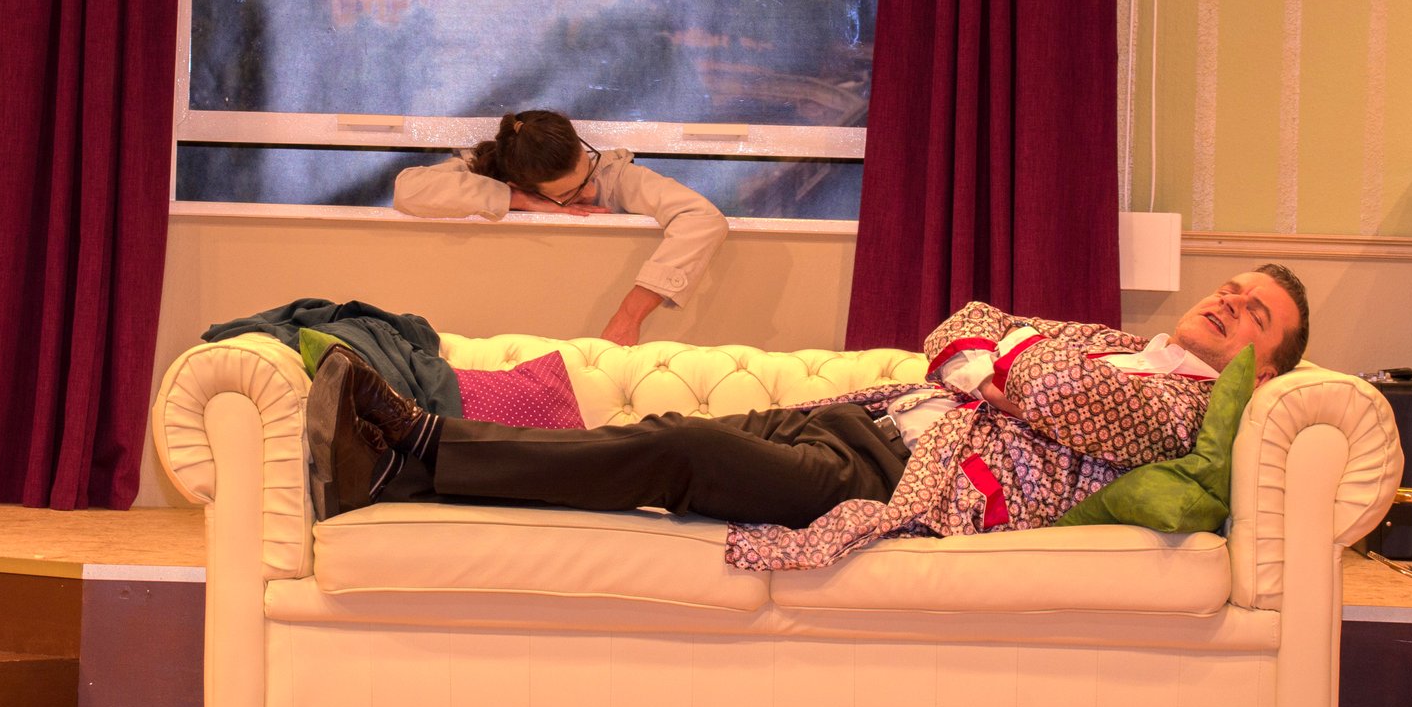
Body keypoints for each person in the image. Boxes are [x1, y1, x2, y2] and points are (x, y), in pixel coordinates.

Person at [305, 265, 1311, 571]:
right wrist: (1000, 359)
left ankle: (418, 442)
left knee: (676, 449)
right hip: (864, 422)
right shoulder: (1108, 339)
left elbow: (1050, 387)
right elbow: (960, 322)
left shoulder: (1182, 406)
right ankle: (406, 465)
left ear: (1266, 366)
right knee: (653, 434)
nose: (1229, 301)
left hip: (891, 483)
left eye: (1255, 313)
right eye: (1230, 288)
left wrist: (1003, 362)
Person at [393, 110, 728, 346]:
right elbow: (409, 190)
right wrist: (514, 200)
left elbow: (701, 218)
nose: (590, 191)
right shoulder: (489, 174)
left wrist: (629, 316)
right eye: (571, 192)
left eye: (586, 171)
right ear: (523, 186)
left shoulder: (612, 174)